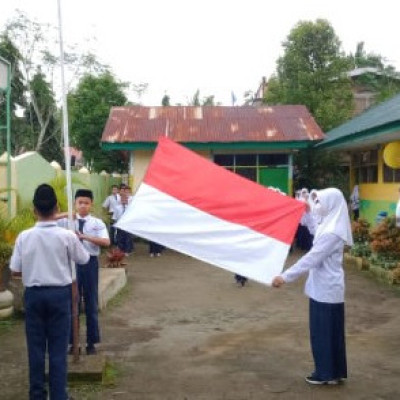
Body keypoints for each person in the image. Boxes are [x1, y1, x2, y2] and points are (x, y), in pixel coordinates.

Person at [9, 184, 90, 400]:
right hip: (59, 295)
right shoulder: (66, 236)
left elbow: (15, 269)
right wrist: (74, 239)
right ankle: (58, 395)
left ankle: (36, 394)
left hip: (34, 295)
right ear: (57, 207)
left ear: (34, 210)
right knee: (57, 349)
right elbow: (83, 259)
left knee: (35, 349)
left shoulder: (24, 237)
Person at [272, 188, 353, 385]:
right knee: (331, 333)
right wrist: (307, 211)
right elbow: (312, 227)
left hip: (326, 290)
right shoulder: (329, 224)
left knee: (323, 333)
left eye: (320, 202)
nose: (317, 206)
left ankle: (324, 373)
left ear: (331, 204)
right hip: (325, 288)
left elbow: (312, 258)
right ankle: (334, 372)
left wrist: (285, 277)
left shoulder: (332, 232)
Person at [58, 189, 110, 355]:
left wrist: (84, 237)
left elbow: (106, 242)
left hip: (89, 263)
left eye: (86, 203)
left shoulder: (96, 223)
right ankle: (72, 342)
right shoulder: (67, 220)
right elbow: (46, 219)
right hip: (71, 264)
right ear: (75, 203)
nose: (83, 206)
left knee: (91, 302)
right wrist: (67, 213)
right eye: (80, 202)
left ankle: (91, 342)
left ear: (91, 204)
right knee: (72, 303)